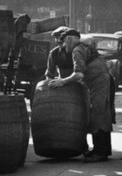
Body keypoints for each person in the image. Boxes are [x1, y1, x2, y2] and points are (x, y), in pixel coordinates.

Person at [46, 29, 113, 162]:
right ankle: (99, 149)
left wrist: (62, 81)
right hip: (96, 82)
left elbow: (79, 74)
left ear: (69, 39)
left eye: (64, 40)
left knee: (99, 115)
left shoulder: (77, 50)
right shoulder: (78, 48)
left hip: (100, 82)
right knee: (98, 114)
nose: (63, 44)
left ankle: (101, 153)